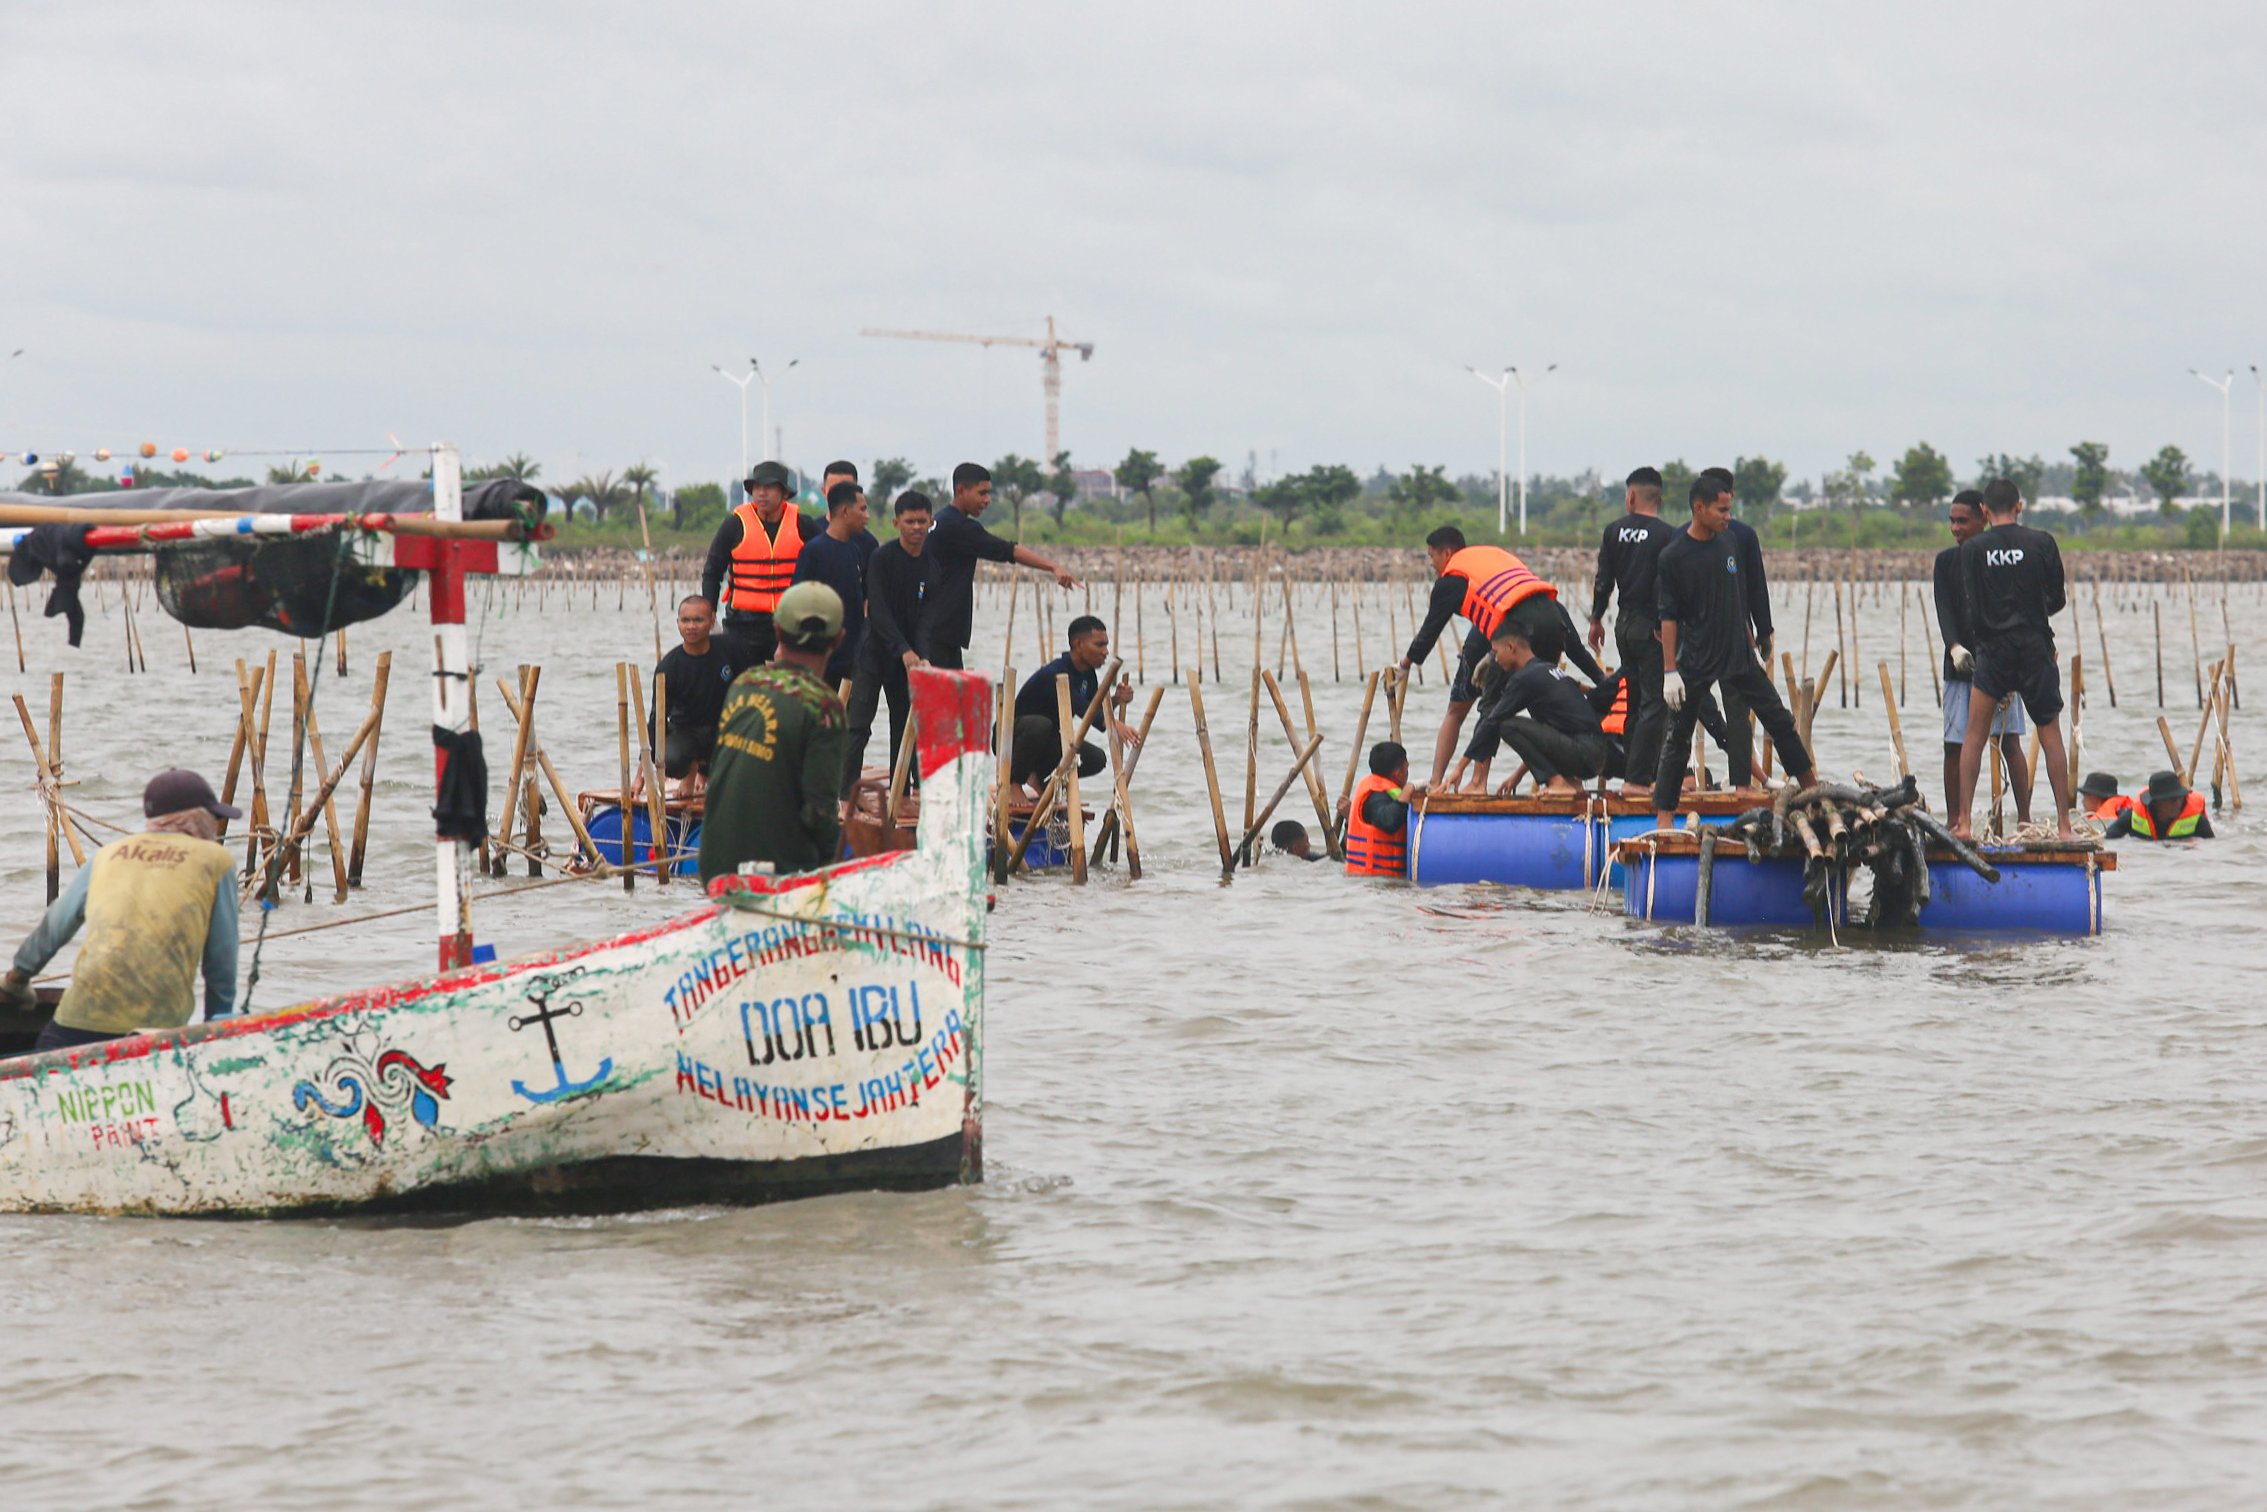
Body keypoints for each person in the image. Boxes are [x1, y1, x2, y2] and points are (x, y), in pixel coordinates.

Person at [1, 769, 240, 1053]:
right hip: (155, 1029)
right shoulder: (216, 859)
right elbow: (221, 958)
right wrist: (218, 1021)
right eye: (214, 818)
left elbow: (55, 926)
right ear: (197, 818)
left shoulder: (107, 854)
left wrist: (17, 980)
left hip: (76, 1022)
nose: (215, 826)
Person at [1652, 475, 1815, 827]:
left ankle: (1812, 792)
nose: (1728, 516)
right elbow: (1668, 617)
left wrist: (1754, 639)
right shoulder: (1673, 555)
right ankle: (1664, 820)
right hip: (1696, 658)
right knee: (1677, 739)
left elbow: (1738, 596)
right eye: (1722, 509)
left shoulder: (1728, 543)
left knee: (1780, 722)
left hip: (1738, 654)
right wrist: (1669, 671)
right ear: (1699, 508)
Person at [1399, 525, 1606, 786]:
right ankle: (1564, 780)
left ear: (1447, 553)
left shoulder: (1451, 579)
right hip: (1551, 618)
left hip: (1505, 630)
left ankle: (1468, 782)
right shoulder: (1493, 554)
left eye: (1432, 556)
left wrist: (1405, 664)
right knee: (1542, 707)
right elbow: (1574, 647)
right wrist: (1603, 680)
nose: (1431, 564)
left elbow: (1430, 630)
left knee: (1467, 709)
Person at [697, 582, 850, 883]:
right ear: (839, 639)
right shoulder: (823, 705)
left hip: (713, 866)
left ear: (777, 632)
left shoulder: (744, 684)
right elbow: (819, 812)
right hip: (778, 871)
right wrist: (835, 871)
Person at [1952, 479, 2075, 839]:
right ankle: (2065, 827)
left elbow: (1971, 606)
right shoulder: (2041, 542)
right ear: (2019, 507)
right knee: (2050, 734)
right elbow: (2057, 599)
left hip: (1993, 648)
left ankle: (1961, 823)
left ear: (1985, 512)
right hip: (2035, 645)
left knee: (1973, 736)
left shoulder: (1974, 550)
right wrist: (2033, 611)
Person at [920, 462, 1080, 670]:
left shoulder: (939, 520)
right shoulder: (959, 527)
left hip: (933, 630)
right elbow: (1009, 550)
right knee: (944, 699)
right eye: (982, 493)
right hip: (938, 634)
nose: (987, 500)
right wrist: (1052, 567)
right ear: (961, 490)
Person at [1934, 488, 2031, 821]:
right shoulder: (1946, 562)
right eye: (1952, 521)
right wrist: (1954, 647)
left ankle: (2024, 819)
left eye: (1963, 521)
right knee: (1953, 745)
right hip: (1960, 665)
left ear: (1983, 518)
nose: (1956, 528)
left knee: (2009, 742)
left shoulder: (1997, 556)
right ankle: (1955, 820)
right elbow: (1944, 609)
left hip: (2000, 663)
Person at [1588, 466, 1680, 796]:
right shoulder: (1668, 535)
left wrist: (1596, 618)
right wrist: (1662, 625)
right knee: (1655, 704)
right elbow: (1667, 584)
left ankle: (1634, 772)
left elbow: (1603, 580)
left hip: (1623, 625)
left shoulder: (1614, 531)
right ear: (1659, 498)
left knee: (1634, 700)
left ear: (1630, 496)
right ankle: (1639, 780)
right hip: (1651, 628)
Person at [841, 490, 938, 795]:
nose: (916, 527)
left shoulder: (931, 566)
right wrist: (903, 649)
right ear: (897, 522)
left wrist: (920, 655)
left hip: (906, 659)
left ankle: (903, 793)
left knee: (905, 724)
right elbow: (879, 612)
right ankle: (845, 793)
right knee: (857, 725)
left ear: (931, 522)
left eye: (922, 521)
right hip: (874, 652)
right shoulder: (882, 558)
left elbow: (926, 619)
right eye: (910, 521)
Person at [1448, 619, 1610, 795]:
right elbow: (1544, 737)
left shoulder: (1523, 679)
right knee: (1537, 726)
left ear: (1511, 647)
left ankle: (1558, 783)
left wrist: (1458, 768)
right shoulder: (1546, 669)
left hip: (1583, 754)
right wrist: (1517, 775)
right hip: (1595, 755)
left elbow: (1492, 721)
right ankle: (1571, 785)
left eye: (1496, 652)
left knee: (1506, 726)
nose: (1495, 659)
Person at [700, 460, 824, 664]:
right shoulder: (734, 525)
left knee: (787, 689)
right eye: (757, 488)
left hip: (789, 624)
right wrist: (709, 613)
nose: (761, 493)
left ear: (784, 493)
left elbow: (825, 566)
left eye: (768, 487)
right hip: (742, 625)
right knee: (745, 689)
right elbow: (712, 572)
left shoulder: (804, 525)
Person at [1700, 466, 1777, 788]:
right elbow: (1757, 589)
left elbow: (1755, 585)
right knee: (1735, 714)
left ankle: (1740, 782)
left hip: (1703, 635)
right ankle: (1740, 785)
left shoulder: (1739, 534)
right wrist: (1764, 631)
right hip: (1730, 634)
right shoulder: (1742, 534)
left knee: (1731, 710)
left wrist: (1762, 631)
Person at [1010, 615, 1137, 788]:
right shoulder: (1055, 673)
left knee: (1096, 759)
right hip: (1015, 741)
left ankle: (1043, 783)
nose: (1105, 651)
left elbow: (1095, 711)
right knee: (1041, 725)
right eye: (1099, 645)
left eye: (1106, 645)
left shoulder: (1088, 674)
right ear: (1078, 644)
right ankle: (1014, 783)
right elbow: (1081, 706)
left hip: (1046, 744)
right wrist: (1112, 724)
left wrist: (1116, 699)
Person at [647, 595, 752, 796]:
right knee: (669, 758)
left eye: (698, 620)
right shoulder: (668, 667)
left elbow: (753, 689)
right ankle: (692, 770)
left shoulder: (731, 648)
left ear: (712, 621)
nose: (691, 626)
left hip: (725, 730)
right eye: (685, 620)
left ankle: (711, 773)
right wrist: (645, 769)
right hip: (687, 733)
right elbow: (656, 721)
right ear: (678, 623)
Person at [792, 481, 873, 686]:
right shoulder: (814, 551)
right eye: (862, 509)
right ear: (845, 511)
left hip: (852, 659)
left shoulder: (855, 550)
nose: (867, 516)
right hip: (822, 660)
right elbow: (797, 603)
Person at [1340, 741, 1423, 878]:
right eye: (1406, 768)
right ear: (1398, 774)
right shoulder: (1375, 796)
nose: (1408, 772)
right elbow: (1388, 821)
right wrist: (1409, 790)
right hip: (1372, 880)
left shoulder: (1390, 792)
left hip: (1383, 879)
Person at [2104, 770, 2213, 840]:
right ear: (2156, 802)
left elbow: (2211, 847)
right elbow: (2108, 838)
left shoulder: (2198, 821)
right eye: (2172, 800)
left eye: (2180, 798)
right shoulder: (2133, 816)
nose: (2178, 804)